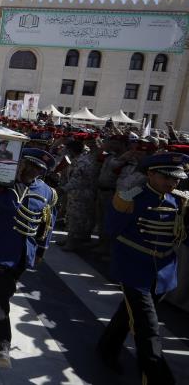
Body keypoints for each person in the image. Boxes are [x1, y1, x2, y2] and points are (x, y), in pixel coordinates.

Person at [97, 153, 189, 384]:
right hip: (134, 270)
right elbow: (111, 229)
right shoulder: (130, 198)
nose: (173, 183)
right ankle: (158, 378)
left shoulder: (179, 201)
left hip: (164, 273)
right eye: (166, 177)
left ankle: (106, 348)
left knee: (127, 315)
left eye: (176, 179)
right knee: (147, 327)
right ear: (150, 174)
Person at [0, 148, 58, 368]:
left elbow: (48, 223)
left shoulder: (48, 192)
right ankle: (2, 345)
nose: (32, 171)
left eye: (38, 168)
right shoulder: (1, 183)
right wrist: (4, 178)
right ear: (21, 162)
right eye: (30, 165)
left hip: (24, 252)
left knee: (5, 291)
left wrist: (41, 249)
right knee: (1, 296)